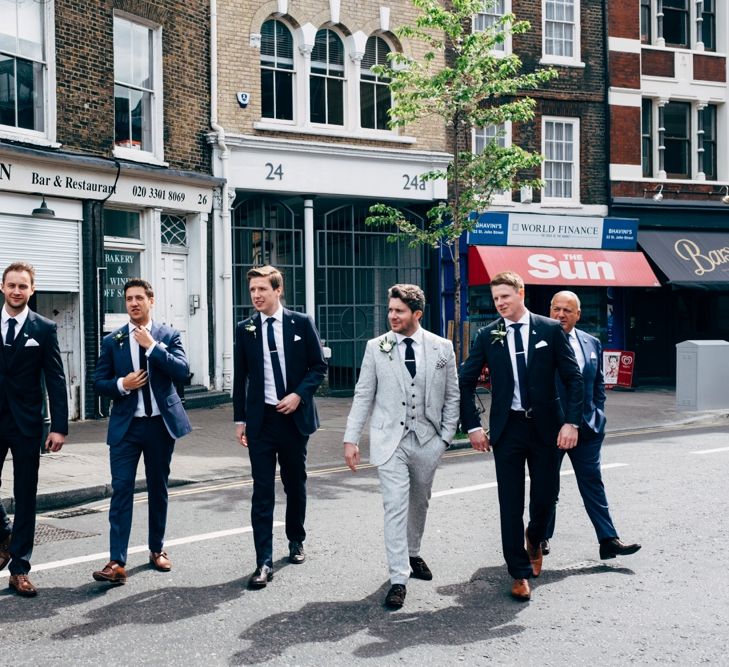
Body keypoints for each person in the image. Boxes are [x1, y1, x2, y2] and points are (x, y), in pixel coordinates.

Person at [459, 271, 583, 602]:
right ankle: (518, 572)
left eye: (505, 297)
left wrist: (571, 423)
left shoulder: (549, 329)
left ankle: (535, 536)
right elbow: (465, 380)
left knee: (545, 496)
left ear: (521, 293)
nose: (499, 303)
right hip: (508, 429)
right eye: (495, 298)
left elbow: (574, 379)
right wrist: (472, 425)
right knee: (510, 502)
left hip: (546, 428)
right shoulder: (488, 335)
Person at [343, 284, 460, 610]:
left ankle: (412, 552)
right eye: (390, 310)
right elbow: (363, 395)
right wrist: (350, 438)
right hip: (389, 442)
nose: (392, 316)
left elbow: (453, 397)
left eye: (399, 311)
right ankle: (398, 578)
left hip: (427, 440)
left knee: (419, 502)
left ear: (417, 314)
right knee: (395, 506)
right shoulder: (375, 347)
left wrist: (444, 439)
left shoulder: (442, 348)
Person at [92, 278, 192, 585]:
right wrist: (123, 384)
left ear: (151, 301)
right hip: (127, 427)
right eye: (128, 299)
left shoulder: (168, 335)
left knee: (158, 487)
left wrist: (153, 347)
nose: (133, 303)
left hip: (160, 425)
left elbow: (183, 372)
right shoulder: (114, 341)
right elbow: (98, 382)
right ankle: (116, 562)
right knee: (121, 489)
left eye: (139, 298)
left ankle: (157, 549)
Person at [233, 265, 327, 589]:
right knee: (262, 492)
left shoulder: (301, 323)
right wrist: (240, 419)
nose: (256, 296)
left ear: (277, 290)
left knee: (294, 484)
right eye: (253, 291)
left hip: (293, 420)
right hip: (261, 421)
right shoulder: (244, 329)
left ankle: (296, 539)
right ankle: (263, 561)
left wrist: (299, 395)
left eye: (262, 290)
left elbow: (319, 367)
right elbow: (240, 377)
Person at [541, 291, 641, 559]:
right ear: (549, 311)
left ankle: (608, 539)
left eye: (567, 310)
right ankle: (541, 537)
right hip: (551, 429)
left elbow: (597, 384)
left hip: (587, 428)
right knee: (548, 485)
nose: (560, 315)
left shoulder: (591, 342)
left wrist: (597, 413)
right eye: (556, 309)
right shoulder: (538, 341)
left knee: (593, 482)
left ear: (578, 315)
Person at [0, 262, 68, 597]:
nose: (16, 291)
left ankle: (20, 569)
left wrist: (59, 427)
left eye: (22, 286)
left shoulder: (44, 328)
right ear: (2, 287)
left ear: (32, 289)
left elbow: (55, 379)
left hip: (27, 424)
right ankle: (4, 532)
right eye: (11, 285)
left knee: (26, 496)